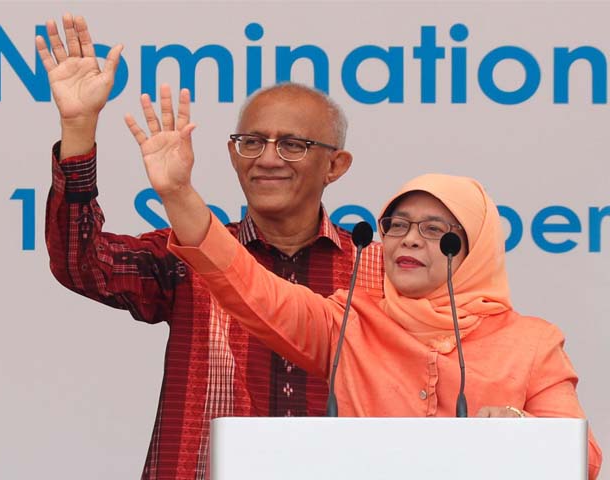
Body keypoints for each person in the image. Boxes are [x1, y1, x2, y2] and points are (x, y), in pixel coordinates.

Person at [134, 105, 602, 476]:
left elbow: (583, 458)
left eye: (435, 229)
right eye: (397, 225)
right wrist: (178, 194)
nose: (411, 238)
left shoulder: (533, 342)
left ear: (473, 247)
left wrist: (520, 429)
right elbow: (250, 288)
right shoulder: (349, 323)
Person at [36, 13, 384, 480]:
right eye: (252, 142)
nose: (267, 159)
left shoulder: (379, 272)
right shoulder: (188, 255)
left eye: (293, 145)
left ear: (336, 165)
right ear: (231, 153)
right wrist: (78, 127)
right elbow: (83, 264)